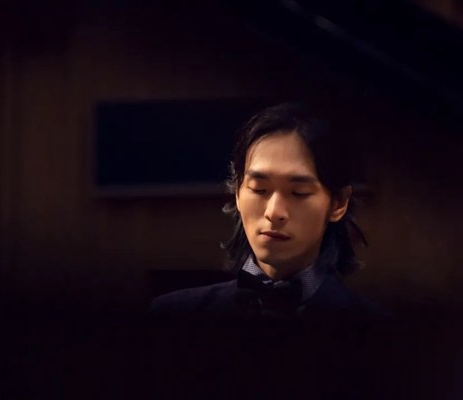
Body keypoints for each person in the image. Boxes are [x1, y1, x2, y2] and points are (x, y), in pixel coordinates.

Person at [149, 102, 387, 321]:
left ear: (338, 203)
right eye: (259, 189)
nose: (273, 212)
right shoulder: (173, 314)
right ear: (237, 192)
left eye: (299, 192)